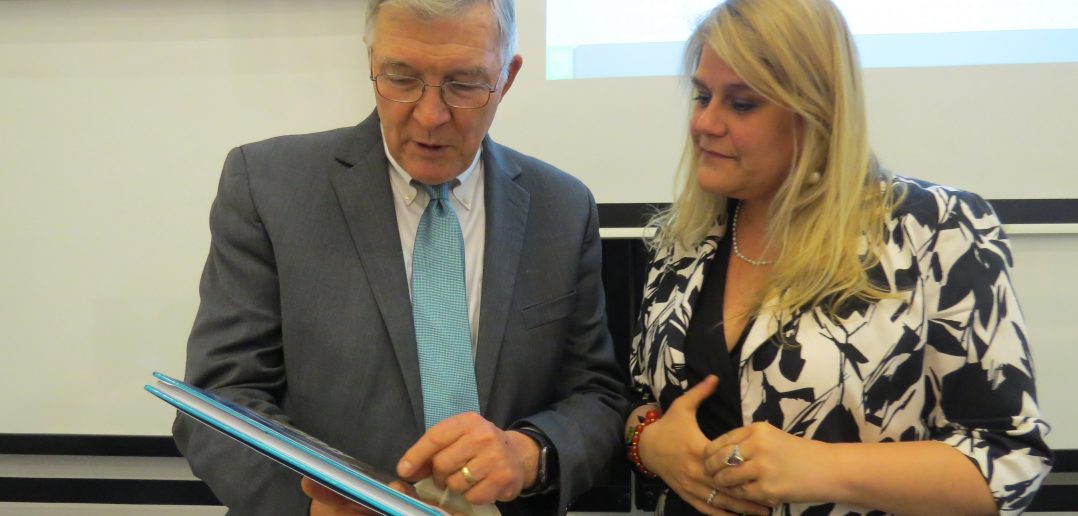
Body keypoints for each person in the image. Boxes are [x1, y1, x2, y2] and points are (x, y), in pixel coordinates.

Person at [172, 1, 628, 514]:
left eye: (464, 84)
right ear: (371, 60)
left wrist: (527, 454)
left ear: (507, 77)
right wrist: (315, 506)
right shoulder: (269, 186)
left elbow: (596, 397)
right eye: (402, 78)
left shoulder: (561, 207)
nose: (430, 116)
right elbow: (219, 400)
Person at [626, 0, 1053, 514]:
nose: (705, 123)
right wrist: (651, 442)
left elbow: (1007, 460)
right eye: (701, 96)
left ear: (816, 113)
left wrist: (823, 467)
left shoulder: (936, 229)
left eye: (741, 104)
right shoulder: (683, 239)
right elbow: (641, 401)